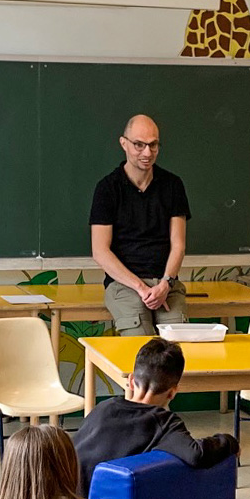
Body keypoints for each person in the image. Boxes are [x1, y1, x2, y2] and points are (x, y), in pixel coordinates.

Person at [73, 337, 237, 494]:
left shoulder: (104, 407)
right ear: (172, 393)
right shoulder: (165, 423)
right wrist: (229, 442)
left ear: (130, 380)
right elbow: (196, 454)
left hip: (67, 498)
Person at [90, 114, 192, 336]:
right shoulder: (107, 188)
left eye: (153, 145)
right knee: (141, 345)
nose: (147, 153)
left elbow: (178, 245)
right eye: (139, 145)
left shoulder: (173, 185)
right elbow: (100, 251)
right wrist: (141, 287)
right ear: (123, 143)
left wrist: (165, 284)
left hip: (166, 282)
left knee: (177, 347)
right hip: (125, 284)